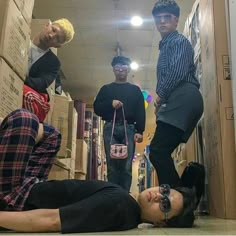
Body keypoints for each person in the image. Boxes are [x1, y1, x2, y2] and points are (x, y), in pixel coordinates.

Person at [0, 110, 196, 233]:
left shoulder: (118, 205)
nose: (158, 195)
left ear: (162, 223)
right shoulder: (127, 207)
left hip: (16, 199)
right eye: (165, 190)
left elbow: (52, 221)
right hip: (33, 185)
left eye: (164, 204)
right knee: (53, 136)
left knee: (24, 120)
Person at [149, 0, 204, 188]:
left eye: (167, 17)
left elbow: (177, 72)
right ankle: (178, 201)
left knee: (158, 151)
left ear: (176, 20)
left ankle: (178, 206)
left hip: (183, 97)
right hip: (181, 99)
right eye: (158, 18)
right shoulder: (166, 45)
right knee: (160, 152)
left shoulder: (179, 41)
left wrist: (159, 97)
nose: (162, 22)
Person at [93, 55, 146, 191]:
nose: (120, 69)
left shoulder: (135, 91)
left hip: (129, 128)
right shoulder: (106, 89)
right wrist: (110, 104)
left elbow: (140, 110)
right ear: (113, 69)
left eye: (123, 67)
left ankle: (124, 196)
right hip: (110, 127)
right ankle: (113, 195)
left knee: (127, 166)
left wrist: (140, 131)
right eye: (117, 67)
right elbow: (97, 107)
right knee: (111, 165)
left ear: (128, 70)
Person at [23, 18, 75, 122]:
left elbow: (42, 83)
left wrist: (19, 78)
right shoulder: (22, 38)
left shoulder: (53, 63)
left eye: (57, 38)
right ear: (47, 25)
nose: (51, 35)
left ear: (58, 45)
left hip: (25, 95)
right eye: (53, 30)